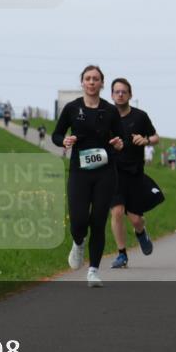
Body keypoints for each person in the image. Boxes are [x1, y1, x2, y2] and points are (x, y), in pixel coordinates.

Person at [52, 66, 126, 287]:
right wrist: (63, 141)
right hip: (79, 171)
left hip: (105, 171)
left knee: (99, 220)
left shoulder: (110, 111)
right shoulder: (72, 108)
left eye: (96, 79)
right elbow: (57, 134)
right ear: (82, 82)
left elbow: (121, 138)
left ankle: (93, 270)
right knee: (78, 219)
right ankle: (78, 241)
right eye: (88, 79)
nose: (92, 82)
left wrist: (119, 143)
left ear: (102, 83)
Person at [107, 78, 160, 269]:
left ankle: (141, 232)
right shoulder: (105, 116)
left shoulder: (140, 116)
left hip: (135, 172)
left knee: (136, 218)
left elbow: (156, 137)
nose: (120, 95)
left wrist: (145, 140)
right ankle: (122, 254)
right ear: (112, 95)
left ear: (130, 94)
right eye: (116, 92)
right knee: (117, 211)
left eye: (124, 92)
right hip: (113, 172)